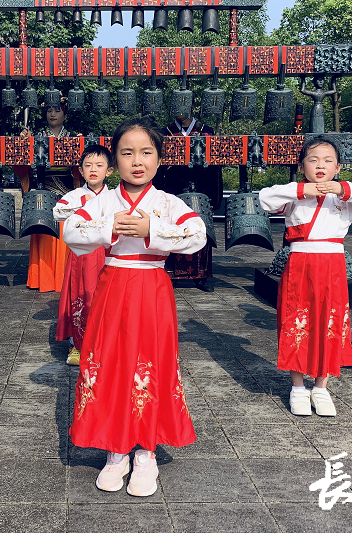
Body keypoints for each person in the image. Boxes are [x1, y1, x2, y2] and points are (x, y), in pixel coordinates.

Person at [63, 117, 207, 497]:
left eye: (147, 152)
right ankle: (115, 448)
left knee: (151, 361)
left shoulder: (168, 203)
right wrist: (109, 228)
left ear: (160, 160)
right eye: (127, 153)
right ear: (116, 159)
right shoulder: (103, 201)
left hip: (152, 286)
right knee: (108, 360)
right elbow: (70, 233)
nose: (137, 160)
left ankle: (146, 450)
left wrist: (152, 232)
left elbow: (197, 235)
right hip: (112, 285)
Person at [259, 138, 352, 418]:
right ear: (302, 165)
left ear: (338, 166)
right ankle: (297, 387)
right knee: (297, 321)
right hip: (300, 265)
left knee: (330, 323)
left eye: (328, 160)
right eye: (313, 159)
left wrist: (343, 189)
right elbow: (265, 198)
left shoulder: (346, 198)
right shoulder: (294, 196)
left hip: (332, 267)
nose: (320, 165)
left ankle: (321, 386)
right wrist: (302, 189)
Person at [53, 144, 114, 366]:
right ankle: (77, 345)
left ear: (109, 171)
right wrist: (83, 206)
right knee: (79, 296)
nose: (93, 169)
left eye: (99, 165)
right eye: (87, 165)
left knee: (104, 297)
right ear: (80, 170)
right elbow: (57, 212)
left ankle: (105, 344)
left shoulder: (115, 197)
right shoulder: (75, 195)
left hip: (107, 254)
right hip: (81, 255)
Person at [19, 101, 79, 292]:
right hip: (43, 191)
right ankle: (42, 278)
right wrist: (24, 144)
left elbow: (80, 169)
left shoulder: (74, 138)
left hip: (67, 190)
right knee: (44, 236)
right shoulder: (35, 138)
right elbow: (23, 167)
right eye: (49, 110)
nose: (52, 114)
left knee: (64, 237)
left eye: (57, 110)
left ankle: (64, 278)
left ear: (65, 115)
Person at [158, 115, 218, 291]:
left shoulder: (206, 131)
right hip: (173, 188)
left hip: (201, 187)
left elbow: (213, 164)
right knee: (174, 230)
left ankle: (201, 276)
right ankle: (173, 274)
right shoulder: (165, 132)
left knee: (200, 229)